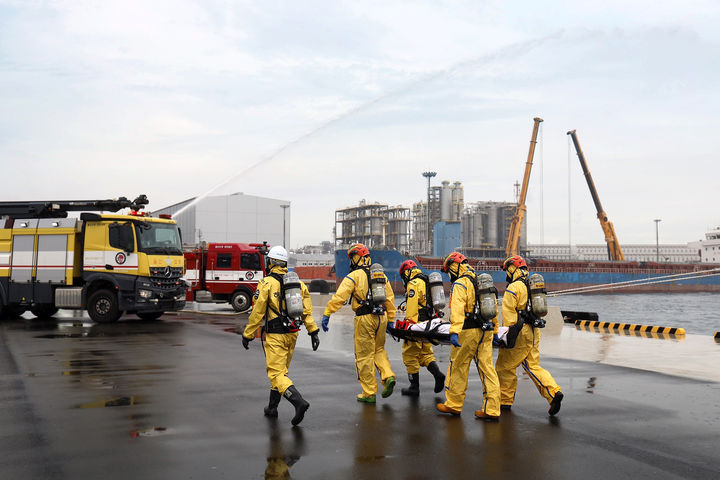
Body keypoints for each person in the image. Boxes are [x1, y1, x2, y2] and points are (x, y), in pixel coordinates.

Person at [241, 245, 320, 426]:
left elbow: (257, 312)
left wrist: (248, 334)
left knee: (276, 374)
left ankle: (298, 402)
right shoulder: (298, 284)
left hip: (276, 335)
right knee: (281, 372)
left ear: (271, 262)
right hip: (292, 333)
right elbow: (306, 311)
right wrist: (313, 331)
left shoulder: (266, 283)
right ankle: (272, 407)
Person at [321, 243, 396, 403]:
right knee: (379, 350)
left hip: (364, 318)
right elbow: (389, 299)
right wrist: (390, 320)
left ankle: (369, 393)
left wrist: (328, 313)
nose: (351, 262)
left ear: (357, 258)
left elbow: (340, 297)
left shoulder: (354, 276)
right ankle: (388, 376)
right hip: (381, 317)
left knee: (364, 356)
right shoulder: (381, 276)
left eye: (352, 258)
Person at [495, 255, 564, 416]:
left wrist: (509, 335)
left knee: (505, 366)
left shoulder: (514, 287)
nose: (507, 275)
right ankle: (553, 392)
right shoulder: (532, 285)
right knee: (533, 366)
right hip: (534, 330)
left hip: (519, 331)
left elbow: (509, 314)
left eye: (507, 270)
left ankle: (505, 402)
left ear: (512, 268)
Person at [435, 252, 501, 421]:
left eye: (449, 270)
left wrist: (454, 331)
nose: (449, 274)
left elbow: (457, 309)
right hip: (485, 330)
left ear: (455, 266)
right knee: (487, 369)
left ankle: (454, 404)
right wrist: (495, 329)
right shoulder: (479, 281)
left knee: (458, 367)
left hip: (467, 331)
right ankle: (492, 409)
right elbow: (492, 306)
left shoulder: (461, 283)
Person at [397, 260, 445, 396]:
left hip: (417, 324)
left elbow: (412, 309)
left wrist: (409, 326)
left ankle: (414, 386)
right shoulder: (427, 281)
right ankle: (438, 375)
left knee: (409, 354)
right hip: (429, 324)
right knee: (426, 353)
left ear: (406, 272)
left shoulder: (413, 283)